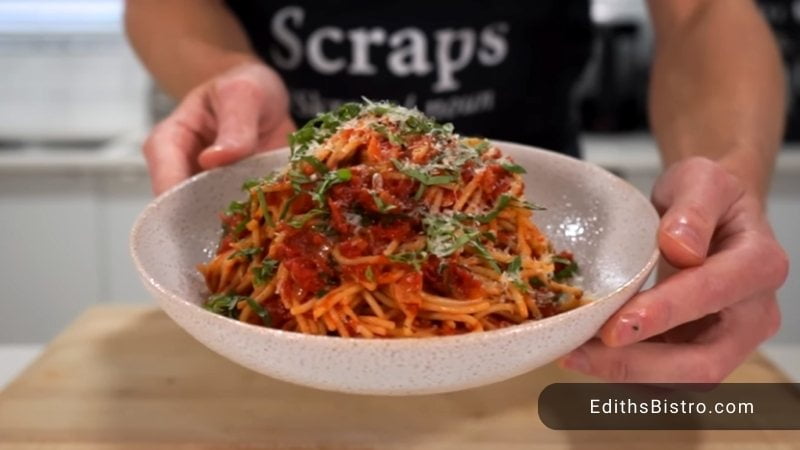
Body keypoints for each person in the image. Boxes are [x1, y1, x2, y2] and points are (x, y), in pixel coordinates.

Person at [125, 0, 789, 383]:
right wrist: (225, 72)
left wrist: (722, 170)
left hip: (544, 361)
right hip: (262, 348)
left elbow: (703, 10)